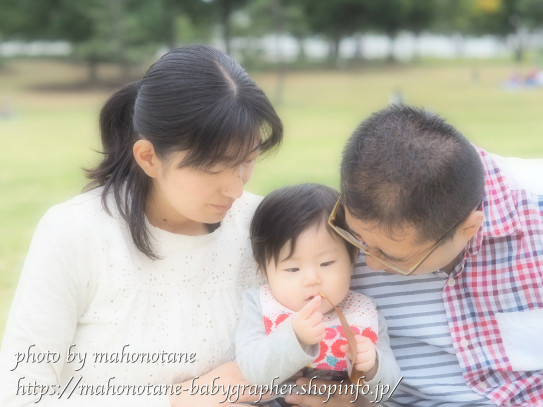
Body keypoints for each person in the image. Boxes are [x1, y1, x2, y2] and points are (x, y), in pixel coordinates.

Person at [0, 45, 283, 407]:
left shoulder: (262, 224)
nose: (236, 187)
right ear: (148, 157)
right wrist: (179, 400)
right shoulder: (76, 233)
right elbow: (20, 395)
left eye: (248, 161)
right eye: (213, 167)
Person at [321, 105, 542, 406]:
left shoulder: (535, 219)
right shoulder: (328, 233)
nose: (367, 263)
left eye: (391, 257)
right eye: (357, 237)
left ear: (469, 228)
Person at [236, 183, 401, 406]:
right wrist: (294, 337)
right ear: (264, 270)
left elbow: (387, 391)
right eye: (293, 269)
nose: (312, 279)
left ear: (353, 260)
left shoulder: (362, 313)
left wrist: (372, 366)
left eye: (327, 263)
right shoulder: (261, 305)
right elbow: (253, 372)